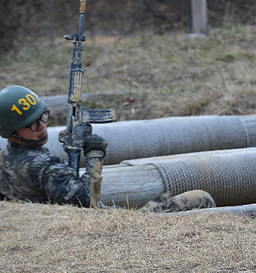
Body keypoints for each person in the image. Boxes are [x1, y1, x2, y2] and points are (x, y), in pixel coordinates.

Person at [0, 84, 215, 212]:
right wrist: (94, 155)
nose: (42, 127)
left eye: (44, 117)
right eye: (32, 124)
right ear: (12, 131)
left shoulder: (7, 159)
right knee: (201, 197)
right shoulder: (43, 167)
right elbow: (89, 205)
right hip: (107, 226)